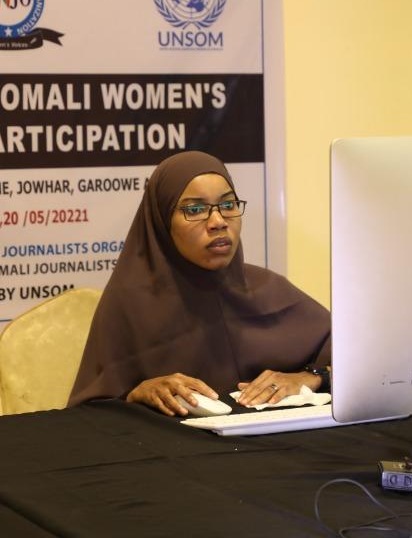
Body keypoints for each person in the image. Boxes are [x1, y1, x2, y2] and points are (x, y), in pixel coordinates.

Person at [67, 151, 331, 416]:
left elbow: (352, 356)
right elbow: (88, 413)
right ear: (162, 222)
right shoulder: (129, 303)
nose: (218, 222)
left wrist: (311, 376)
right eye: (195, 210)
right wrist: (137, 393)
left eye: (228, 205)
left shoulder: (268, 288)